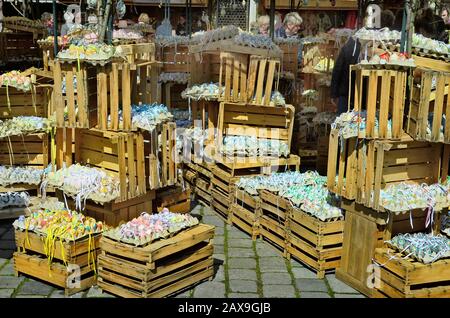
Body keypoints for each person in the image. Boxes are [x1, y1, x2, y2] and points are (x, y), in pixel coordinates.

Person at [330, 9, 395, 115]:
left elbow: (338, 68)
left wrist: (334, 93)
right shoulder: (379, 46)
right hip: (362, 95)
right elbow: (339, 67)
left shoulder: (354, 41)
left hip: (349, 93)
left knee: (344, 124)